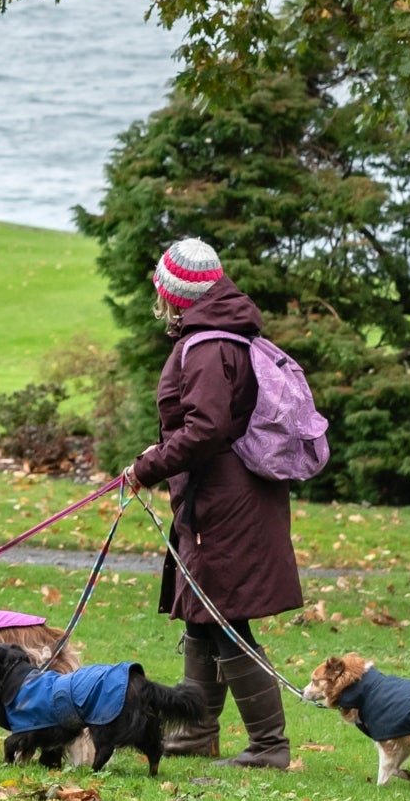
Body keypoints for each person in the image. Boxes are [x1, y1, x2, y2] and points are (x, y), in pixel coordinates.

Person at [120, 238, 303, 769]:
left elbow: (204, 429)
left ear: (173, 293)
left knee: (225, 616)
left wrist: (145, 466)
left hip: (227, 501)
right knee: (203, 614)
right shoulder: (223, 335)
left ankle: (270, 746)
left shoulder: (205, 346)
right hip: (225, 494)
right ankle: (197, 732)